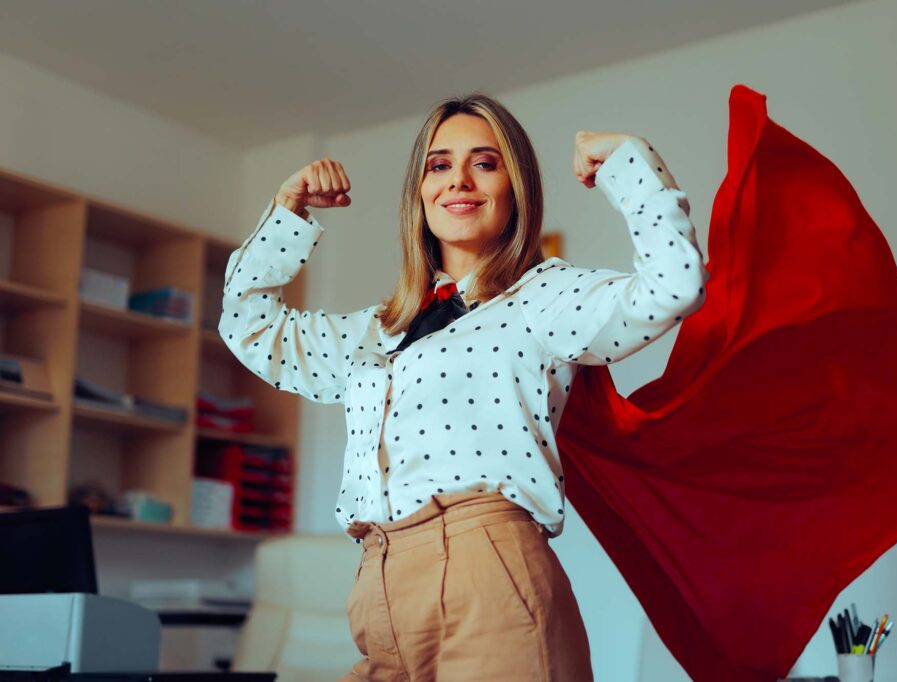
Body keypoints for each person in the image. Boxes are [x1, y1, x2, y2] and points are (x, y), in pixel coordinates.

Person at [219, 92, 709, 680]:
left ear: (515, 186)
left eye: (484, 162)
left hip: (487, 576)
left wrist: (629, 162)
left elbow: (674, 285)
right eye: (439, 164)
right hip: (378, 584)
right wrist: (287, 211)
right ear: (420, 192)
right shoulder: (374, 331)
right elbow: (247, 326)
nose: (459, 181)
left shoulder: (541, 299)